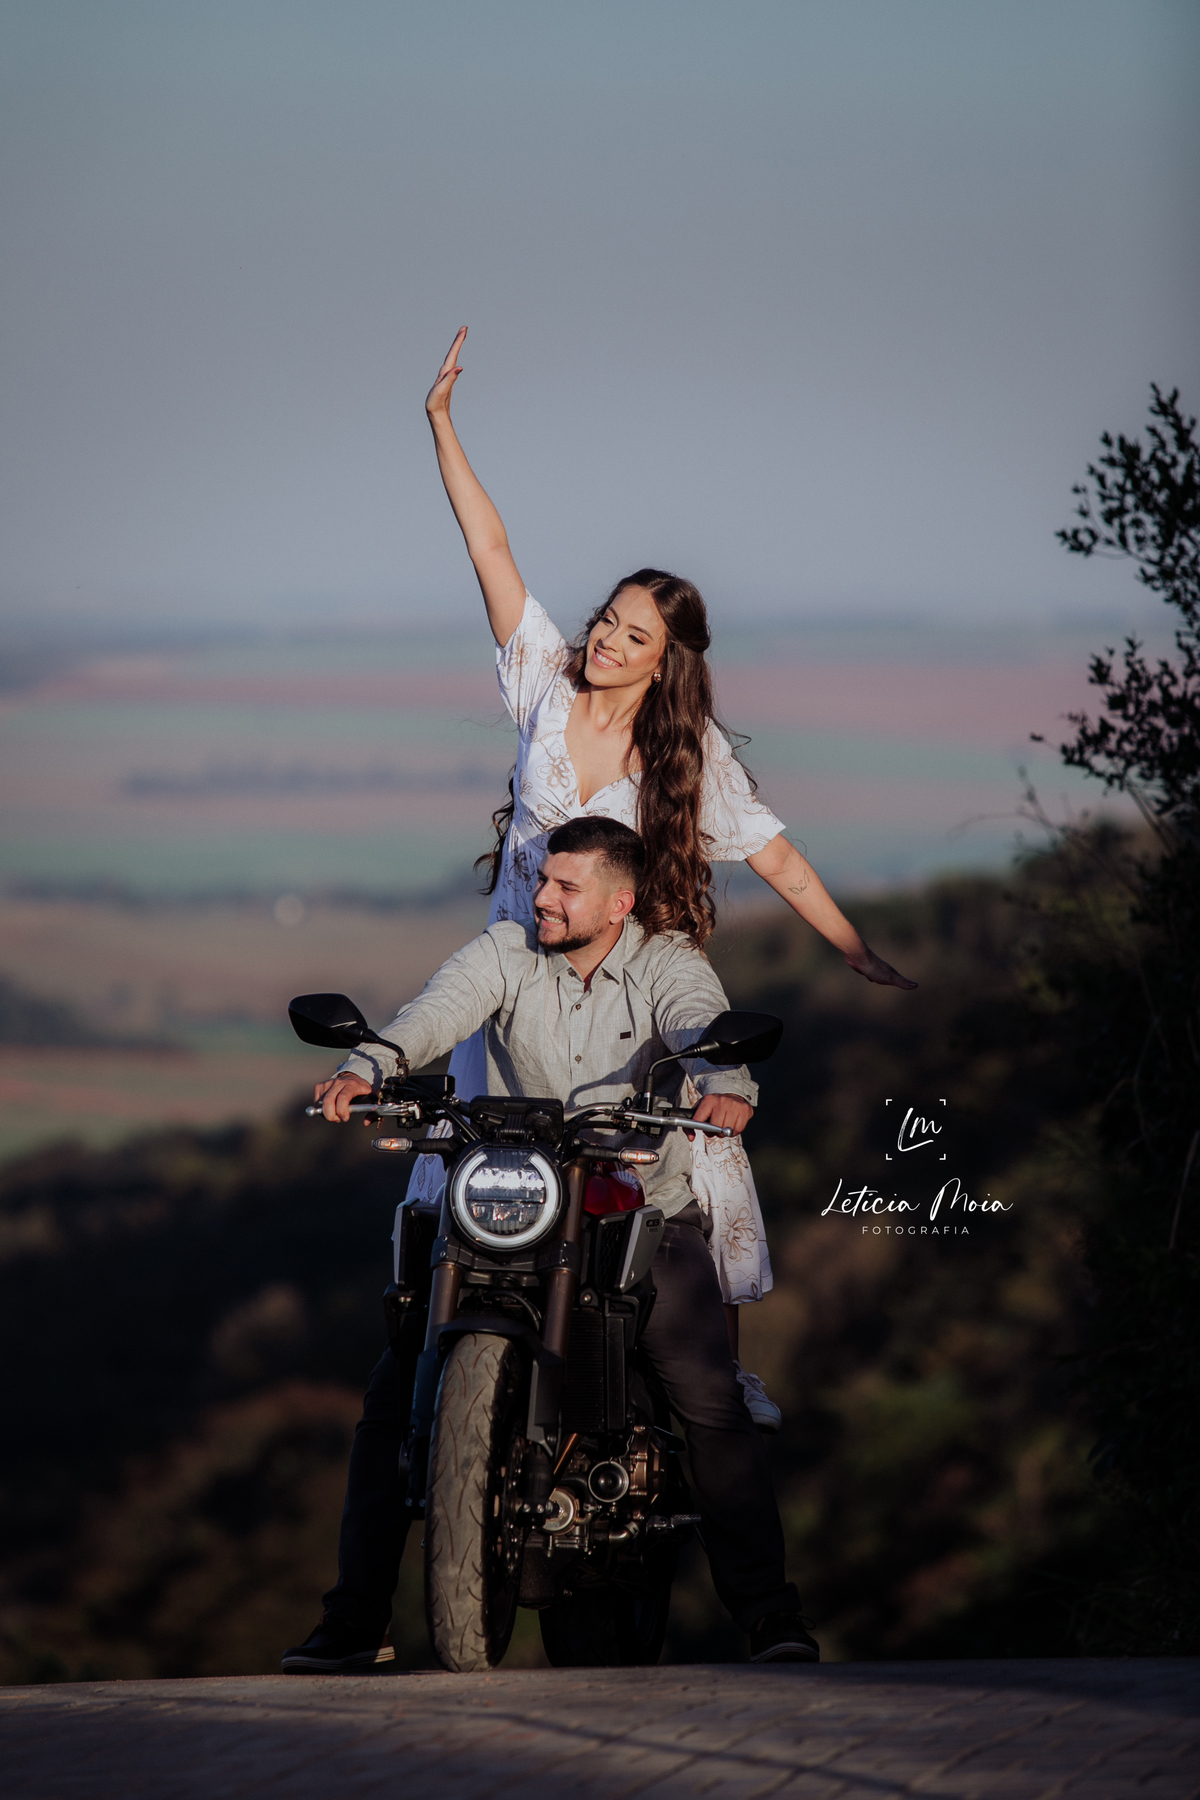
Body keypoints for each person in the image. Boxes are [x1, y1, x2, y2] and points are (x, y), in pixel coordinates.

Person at [412, 326, 915, 1429]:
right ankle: (448, 1376)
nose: (605, 639)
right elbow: (491, 549)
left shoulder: (689, 754)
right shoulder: (542, 685)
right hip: (520, 957)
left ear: (662, 659)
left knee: (691, 1152)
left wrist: (854, 949)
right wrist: (442, 423)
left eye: (631, 634)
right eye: (606, 618)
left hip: (633, 966)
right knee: (476, 1164)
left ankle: (718, 1371)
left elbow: (775, 855)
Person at [282, 817, 820, 1671]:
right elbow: (437, 1010)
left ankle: (769, 1617)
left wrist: (724, 1083)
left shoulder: (668, 963)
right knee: (393, 1396)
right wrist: (369, 1067)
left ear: (620, 903)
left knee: (709, 1399)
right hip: (508, 1208)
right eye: (542, 881)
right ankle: (353, 1623)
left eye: (567, 887)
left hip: (637, 1212)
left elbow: (699, 1022)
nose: (542, 898)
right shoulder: (506, 952)